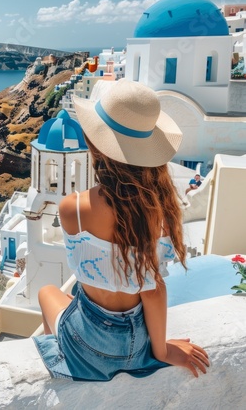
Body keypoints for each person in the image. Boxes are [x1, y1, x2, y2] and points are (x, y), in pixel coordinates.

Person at [34, 80, 209, 382]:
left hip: (86, 346)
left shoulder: (72, 207)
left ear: (95, 145)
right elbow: (152, 292)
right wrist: (163, 350)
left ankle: (61, 361)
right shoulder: (160, 214)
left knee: (47, 292)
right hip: (136, 345)